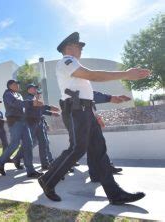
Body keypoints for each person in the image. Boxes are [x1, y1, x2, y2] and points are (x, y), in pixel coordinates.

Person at [38, 32, 149, 204]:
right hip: (76, 112)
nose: (81, 49)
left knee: (99, 150)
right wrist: (125, 74)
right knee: (77, 148)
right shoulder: (67, 61)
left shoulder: (74, 69)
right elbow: (93, 76)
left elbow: (87, 94)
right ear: (69, 48)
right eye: (79, 46)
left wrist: (109, 100)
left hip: (85, 111)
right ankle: (48, 180)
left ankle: (115, 194)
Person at [0, 80, 44, 178]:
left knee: (29, 144)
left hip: (23, 121)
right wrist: (31, 103)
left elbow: (23, 106)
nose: (17, 85)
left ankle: (30, 171)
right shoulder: (7, 94)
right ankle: (0, 162)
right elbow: (16, 103)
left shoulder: (19, 94)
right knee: (15, 143)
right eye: (15, 84)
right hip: (15, 121)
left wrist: (33, 104)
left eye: (18, 84)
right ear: (10, 85)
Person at [12, 84, 60, 170]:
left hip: (39, 123)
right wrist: (50, 109)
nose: (35, 90)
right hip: (31, 123)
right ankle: (17, 157)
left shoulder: (35, 98)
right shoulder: (28, 99)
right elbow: (39, 107)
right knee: (29, 144)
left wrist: (51, 112)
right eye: (33, 88)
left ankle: (45, 164)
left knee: (43, 143)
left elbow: (40, 110)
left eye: (35, 88)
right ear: (28, 90)